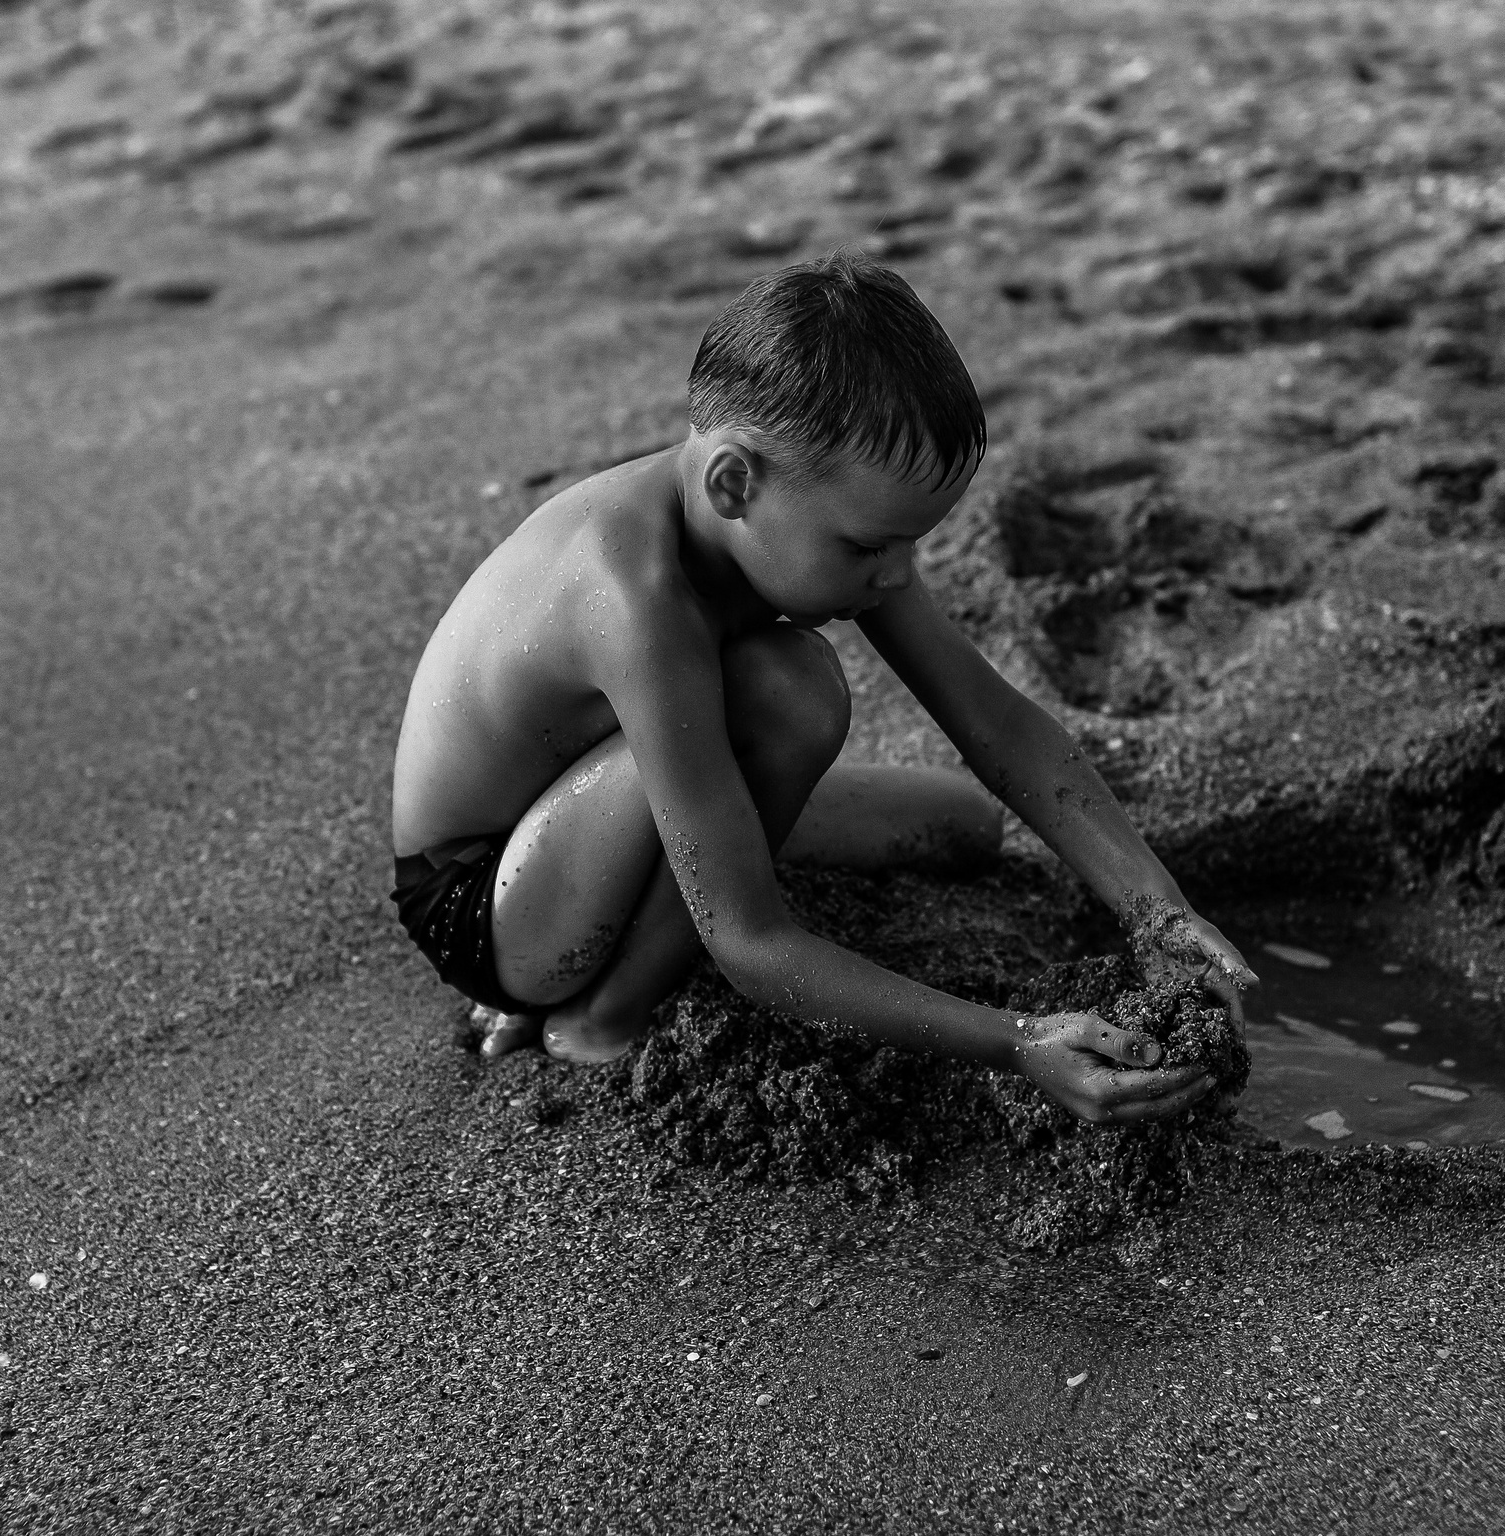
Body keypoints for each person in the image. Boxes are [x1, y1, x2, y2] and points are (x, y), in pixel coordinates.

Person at [388, 251, 1258, 1125]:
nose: (897, 575)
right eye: (871, 547)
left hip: (622, 794)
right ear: (735, 482)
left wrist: (1158, 912)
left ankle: (660, 900)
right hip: (490, 897)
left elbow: (994, 721)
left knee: (962, 826)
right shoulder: (634, 599)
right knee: (791, 689)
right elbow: (751, 944)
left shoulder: (809, 512)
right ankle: (599, 1016)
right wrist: (1017, 1041)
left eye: (911, 544)